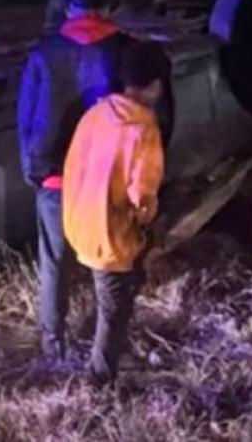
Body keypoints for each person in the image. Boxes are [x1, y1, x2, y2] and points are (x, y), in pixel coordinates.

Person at [17, 0, 132, 361]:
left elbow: (28, 117)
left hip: (54, 174)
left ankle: (53, 347)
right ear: (105, 8)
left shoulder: (44, 52)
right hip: (107, 175)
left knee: (54, 262)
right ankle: (109, 346)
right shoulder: (124, 50)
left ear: (69, 8)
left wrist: (32, 168)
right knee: (111, 261)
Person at [62, 41, 170, 384]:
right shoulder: (143, 128)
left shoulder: (96, 114)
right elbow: (143, 193)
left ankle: (115, 354)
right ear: (155, 85)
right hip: (111, 233)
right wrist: (146, 220)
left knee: (112, 295)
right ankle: (99, 381)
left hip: (80, 222)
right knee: (114, 308)